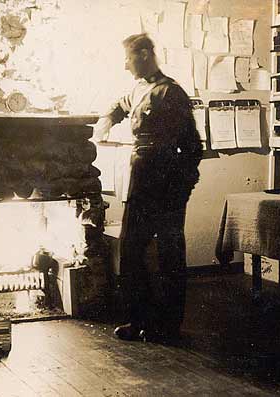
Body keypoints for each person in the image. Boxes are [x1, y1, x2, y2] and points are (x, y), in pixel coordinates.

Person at [94, 33, 203, 342]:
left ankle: (168, 326)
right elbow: (122, 103)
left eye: (128, 58)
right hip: (140, 184)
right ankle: (138, 319)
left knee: (169, 255)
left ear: (143, 55)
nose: (125, 65)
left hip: (166, 187)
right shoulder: (142, 89)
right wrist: (107, 119)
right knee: (130, 250)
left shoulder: (171, 93)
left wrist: (182, 188)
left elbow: (193, 148)